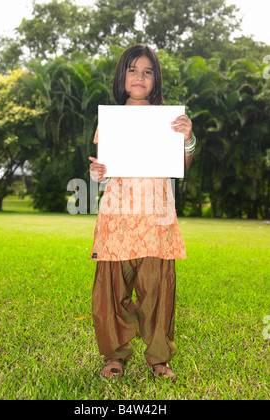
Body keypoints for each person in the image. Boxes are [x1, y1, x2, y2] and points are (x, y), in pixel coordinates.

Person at [88, 44, 195, 381]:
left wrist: (188, 138)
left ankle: (159, 359)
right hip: (117, 219)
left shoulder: (168, 119)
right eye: (133, 69)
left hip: (157, 218)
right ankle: (114, 356)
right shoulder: (111, 120)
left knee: (158, 290)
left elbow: (182, 165)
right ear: (122, 77)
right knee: (111, 292)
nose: (140, 77)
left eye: (148, 71)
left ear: (155, 79)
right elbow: (104, 168)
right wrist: (96, 173)